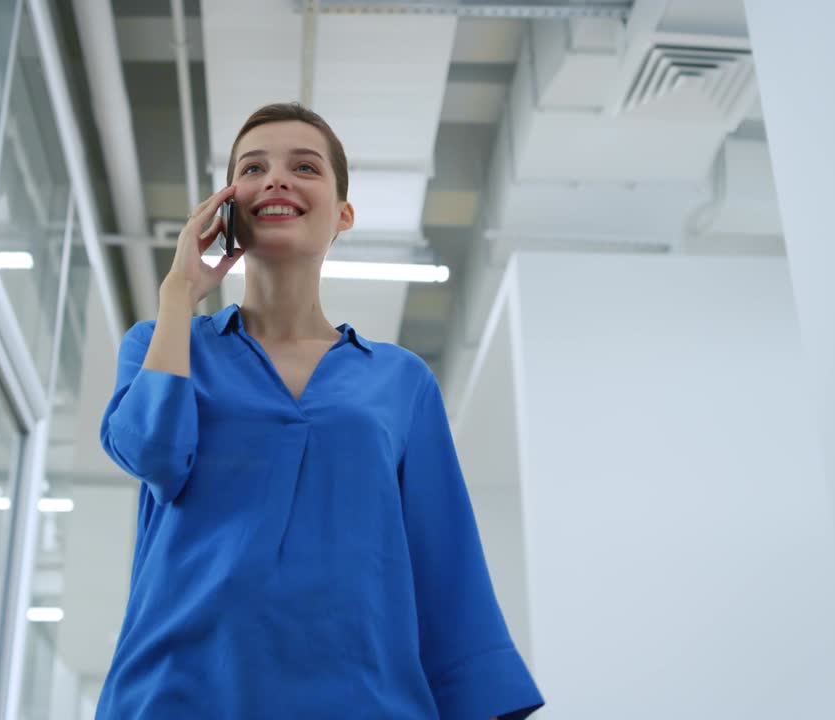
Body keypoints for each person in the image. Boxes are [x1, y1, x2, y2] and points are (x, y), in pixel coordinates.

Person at [95, 102, 545, 719]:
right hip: (180, 692)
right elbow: (153, 454)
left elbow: (445, 563)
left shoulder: (399, 381)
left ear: (343, 213)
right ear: (226, 208)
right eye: (252, 168)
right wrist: (179, 293)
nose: (276, 178)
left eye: (304, 166)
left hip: (362, 700)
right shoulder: (159, 345)